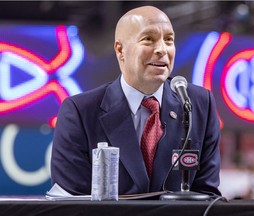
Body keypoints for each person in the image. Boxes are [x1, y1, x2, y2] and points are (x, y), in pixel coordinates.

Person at [51, 5, 221, 197]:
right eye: (148, 39)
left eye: (168, 40)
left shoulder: (199, 104)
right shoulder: (79, 112)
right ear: (120, 50)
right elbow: (72, 201)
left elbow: (207, 195)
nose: (162, 49)